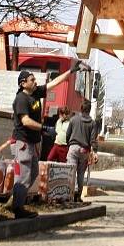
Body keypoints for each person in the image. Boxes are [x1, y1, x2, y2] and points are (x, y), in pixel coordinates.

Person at [11, 60, 90, 219]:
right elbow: (25, 121)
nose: (35, 82)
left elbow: (54, 83)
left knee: (32, 173)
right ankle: (18, 209)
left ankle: (15, 202)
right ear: (23, 83)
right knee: (24, 176)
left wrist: (71, 71)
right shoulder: (21, 99)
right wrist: (44, 128)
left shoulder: (34, 93)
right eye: (32, 80)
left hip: (31, 144)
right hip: (23, 144)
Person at [66, 98, 98, 202]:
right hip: (84, 150)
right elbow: (93, 140)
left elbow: (68, 134)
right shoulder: (92, 123)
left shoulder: (73, 119)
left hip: (73, 147)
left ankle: (72, 191)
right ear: (89, 109)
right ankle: (78, 195)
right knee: (80, 173)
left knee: (72, 171)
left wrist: (69, 145)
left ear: (81, 108)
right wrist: (95, 152)